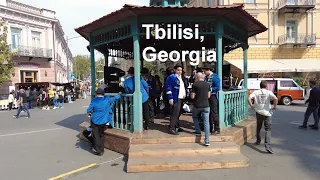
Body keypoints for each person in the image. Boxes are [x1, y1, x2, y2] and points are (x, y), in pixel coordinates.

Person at [86, 88, 122, 156]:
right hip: (103, 121)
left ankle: (99, 151)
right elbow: (115, 98)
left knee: (96, 136)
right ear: (103, 93)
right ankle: (102, 150)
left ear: (96, 94)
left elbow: (88, 110)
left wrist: (90, 114)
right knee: (101, 135)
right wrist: (119, 94)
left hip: (95, 120)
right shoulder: (107, 99)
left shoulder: (94, 101)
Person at [248, 80, 278, 154]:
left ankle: (258, 141)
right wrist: (274, 106)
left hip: (258, 112)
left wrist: (251, 105)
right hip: (267, 113)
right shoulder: (269, 92)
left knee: (259, 127)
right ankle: (267, 146)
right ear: (266, 86)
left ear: (260, 86)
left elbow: (249, 98)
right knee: (268, 129)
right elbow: (276, 99)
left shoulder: (256, 92)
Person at [166, 64, 188, 135]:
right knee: (174, 113)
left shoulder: (180, 78)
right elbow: (168, 88)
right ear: (175, 70)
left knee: (178, 113)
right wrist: (170, 98)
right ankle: (172, 128)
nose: (180, 71)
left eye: (181, 70)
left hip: (181, 97)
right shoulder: (172, 77)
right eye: (178, 70)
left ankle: (176, 126)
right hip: (176, 97)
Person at [191, 72, 211, 146]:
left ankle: (198, 131)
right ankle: (207, 140)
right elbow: (209, 96)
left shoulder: (195, 84)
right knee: (206, 122)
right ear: (202, 77)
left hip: (197, 105)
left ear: (197, 77)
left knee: (195, 117)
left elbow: (192, 96)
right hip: (206, 105)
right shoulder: (207, 84)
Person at [203, 63, 221, 135]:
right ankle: (210, 128)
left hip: (213, 96)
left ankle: (217, 128)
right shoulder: (206, 77)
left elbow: (218, 87)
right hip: (206, 96)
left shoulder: (215, 77)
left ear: (208, 70)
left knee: (214, 112)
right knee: (208, 112)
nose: (204, 72)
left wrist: (209, 89)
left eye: (205, 70)